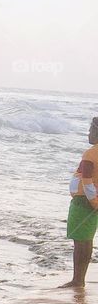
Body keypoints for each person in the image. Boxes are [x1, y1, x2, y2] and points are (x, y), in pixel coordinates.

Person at [62, 117, 98, 289]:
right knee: (86, 239)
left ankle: (77, 280)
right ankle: (79, 279)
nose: (88, 133)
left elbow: (87, 181)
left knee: (80, 241)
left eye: (91, 130)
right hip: (91, 201)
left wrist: (94, 201)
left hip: (84, 201)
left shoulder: (90, 153)